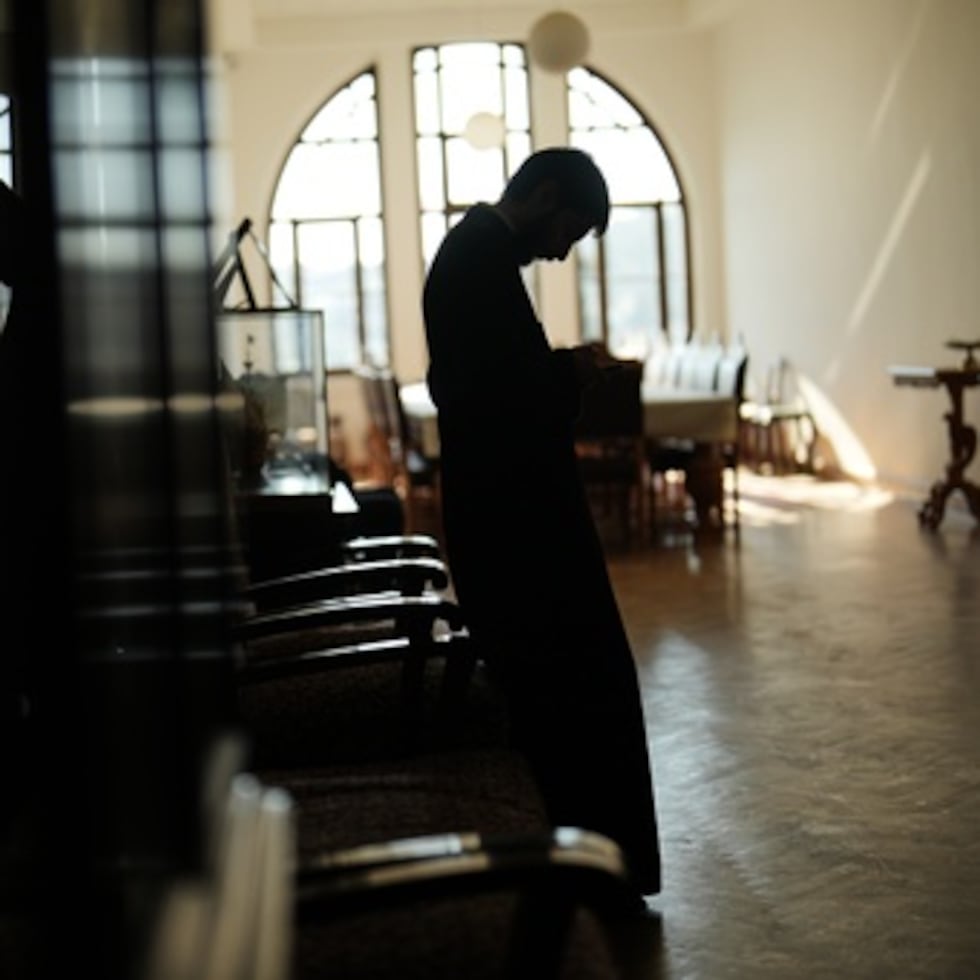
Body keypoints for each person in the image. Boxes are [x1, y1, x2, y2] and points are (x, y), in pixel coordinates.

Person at [422, 147, 661, 898]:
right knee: (575, 684)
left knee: (562, 686)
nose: (562, 251)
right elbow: (501, 399)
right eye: (569, 229)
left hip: (507, 510)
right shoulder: (481, 259)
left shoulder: (476, 253)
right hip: (520, 522)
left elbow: (476, 380)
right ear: (545, 194)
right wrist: (572, 372)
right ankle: (587, 867)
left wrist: (552, 371)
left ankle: (578, 860)